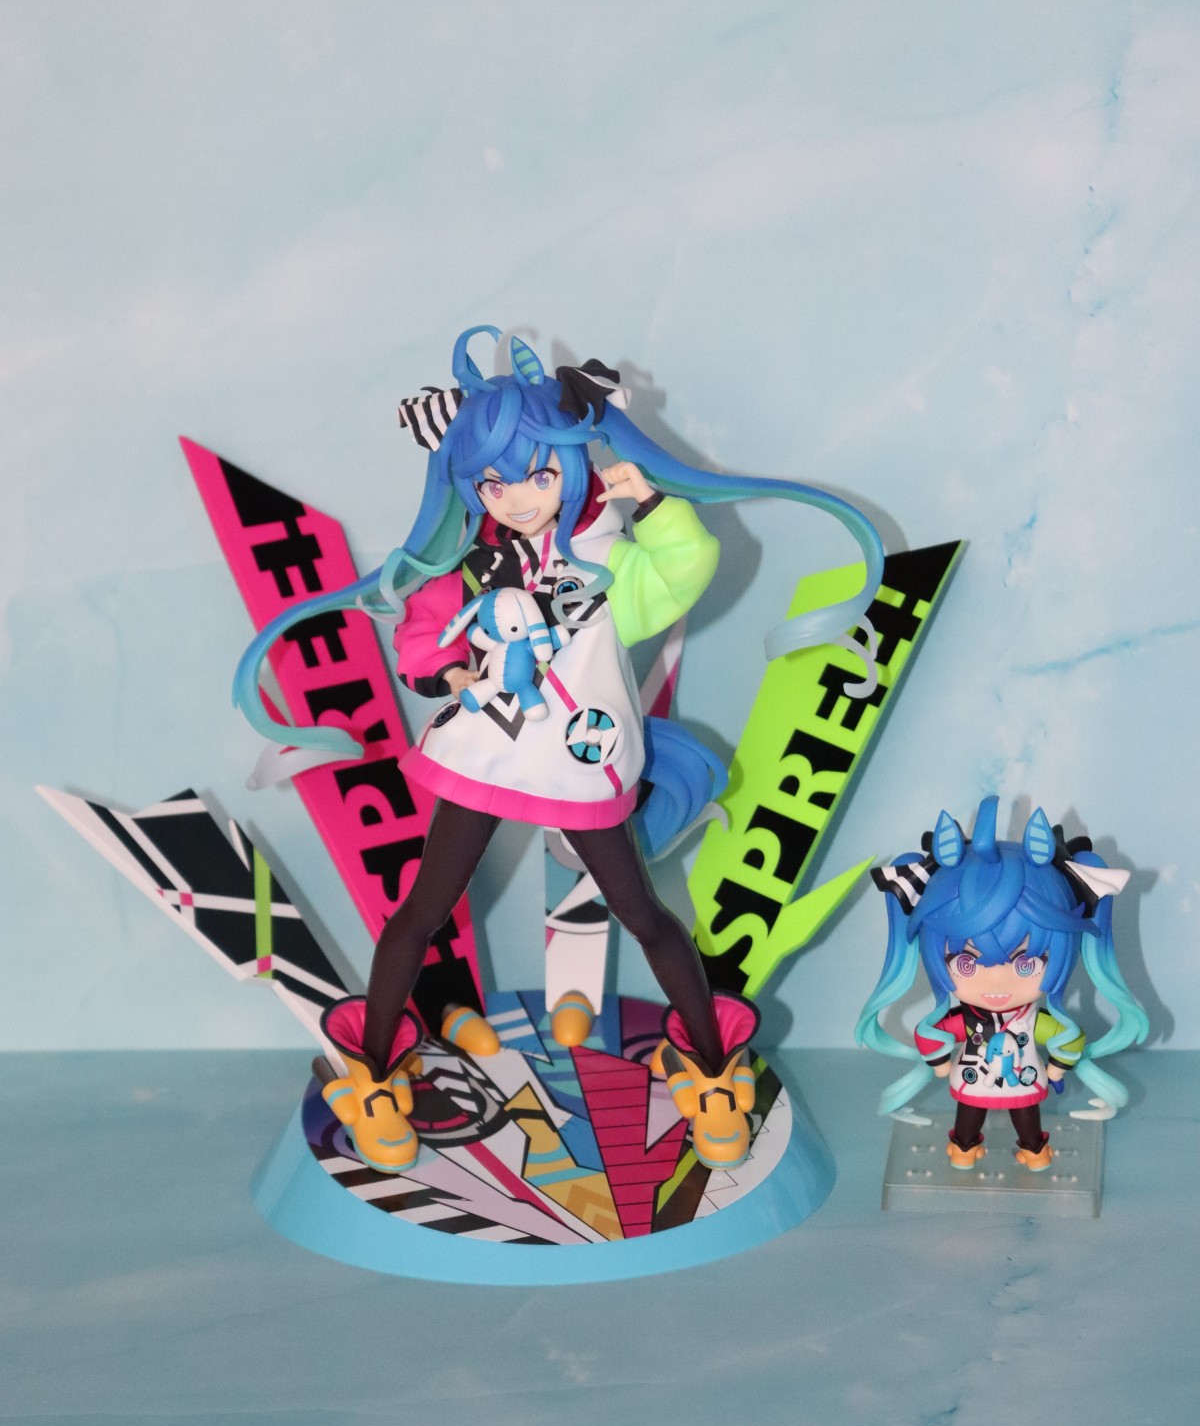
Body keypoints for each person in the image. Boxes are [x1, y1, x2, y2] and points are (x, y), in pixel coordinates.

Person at [236, 327, 885, 1171]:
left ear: (571, 464)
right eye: (494, 481)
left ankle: (711, 1066)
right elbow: (420, 634)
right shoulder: (468, 559)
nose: (516, 496)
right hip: (486, 753)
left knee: (643, 915)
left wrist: (650, 502)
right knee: (423, 912)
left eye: (538, 474)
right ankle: (372, 1072)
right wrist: (450, 669)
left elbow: (686, 567)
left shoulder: (609, 552)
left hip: (579, 763)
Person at [855, 794, 1148, 1169]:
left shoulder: (1029, 1019)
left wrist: (1057, 1068)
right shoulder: (968, 1018)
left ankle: (1034, 1150)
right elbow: (931, 1033)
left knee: (1027, 1120)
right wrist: (940, 1062)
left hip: (1023, 1081)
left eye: (1026, 963)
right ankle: (964, 1149)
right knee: (968, 1118)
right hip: (973, 1081)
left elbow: (1068, 1037)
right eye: (966, 963)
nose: (997, 981)